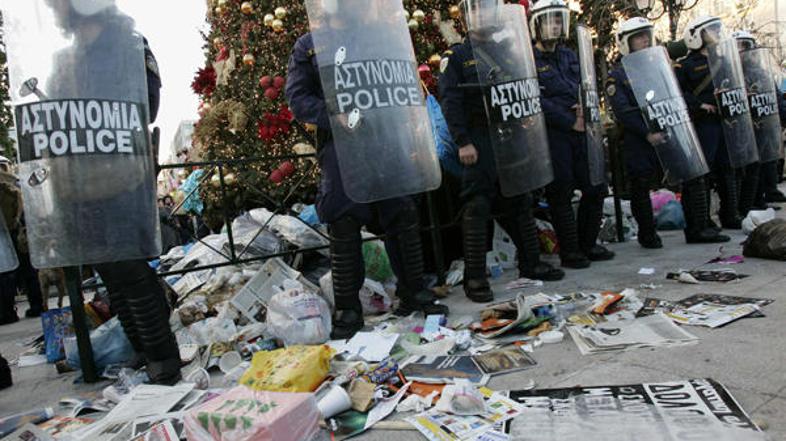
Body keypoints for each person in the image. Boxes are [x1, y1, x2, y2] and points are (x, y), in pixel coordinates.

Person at [286, 0, 448, 339]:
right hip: (343, 145)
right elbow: (298, 97)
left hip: (385, 138)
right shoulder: (310, 45)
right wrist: (333, 115)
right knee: (344, 219)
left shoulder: (377, 36)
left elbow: (400, 80)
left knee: (401, 211)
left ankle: (413, 290)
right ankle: (348, 307)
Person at [40, 0, 180, 384]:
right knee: (111, 274)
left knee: (130, 269)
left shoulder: (130, 46)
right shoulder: (65, 61)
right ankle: (141, 350)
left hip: (120, 178)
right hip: (78, 184)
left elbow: (147, 106)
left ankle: (163, 357)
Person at [438, 0, 564, 303]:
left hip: (508, 136)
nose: (483, 15)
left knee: (519, 200)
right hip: (478, 139)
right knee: (477, 207)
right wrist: (462, 141)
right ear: (468, 16)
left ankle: (531, 262)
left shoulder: (507, 49)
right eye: (477, 9)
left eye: (488, 9)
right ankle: (476, 278)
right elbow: (450, 101)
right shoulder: (457, 57)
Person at [606, 17, 729, 246]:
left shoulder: (656, 65)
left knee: (691, 175)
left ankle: (697, 228)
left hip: (667, 130)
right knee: (641, 185)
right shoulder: (618, 75)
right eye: (638, 37)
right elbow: (624, 111)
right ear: (626, 42)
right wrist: (646, 133)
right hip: (640, 137)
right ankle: (648, 234)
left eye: (646, 35)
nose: (644, 40)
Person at [530, 0, 614, 269]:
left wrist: (585, 109)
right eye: (549, 21)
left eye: (558, 20)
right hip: (555, 134)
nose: (554, 26)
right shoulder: (530, 59)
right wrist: (568, 120)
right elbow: (536, 99)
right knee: (561, 191)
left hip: (582, 126)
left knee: (596, 185)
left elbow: (586, 84)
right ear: (537, 25)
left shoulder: (569, 55)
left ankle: (588, 242)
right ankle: (570, 250)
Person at [675, 16, 745, 230]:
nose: (715, 34)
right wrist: (699, 105)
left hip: (725, 121)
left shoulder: (723, 59)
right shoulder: (685, 65)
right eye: (710, 30)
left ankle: (729, 214)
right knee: (702, 173)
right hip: (703, 123)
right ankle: (701, 220)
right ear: (697, 36)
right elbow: (677, 92)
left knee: (727, 168)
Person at [731, 31, 786, 214]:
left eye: (744, 46)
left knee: (763, 164)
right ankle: (747, 203)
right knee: (747, 169)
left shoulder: (761, 72)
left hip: (762, 124)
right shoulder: (729, 72)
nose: (741, 51)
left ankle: (760, 198)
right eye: (737, 46)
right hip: (742, 129)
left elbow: (774, 97)